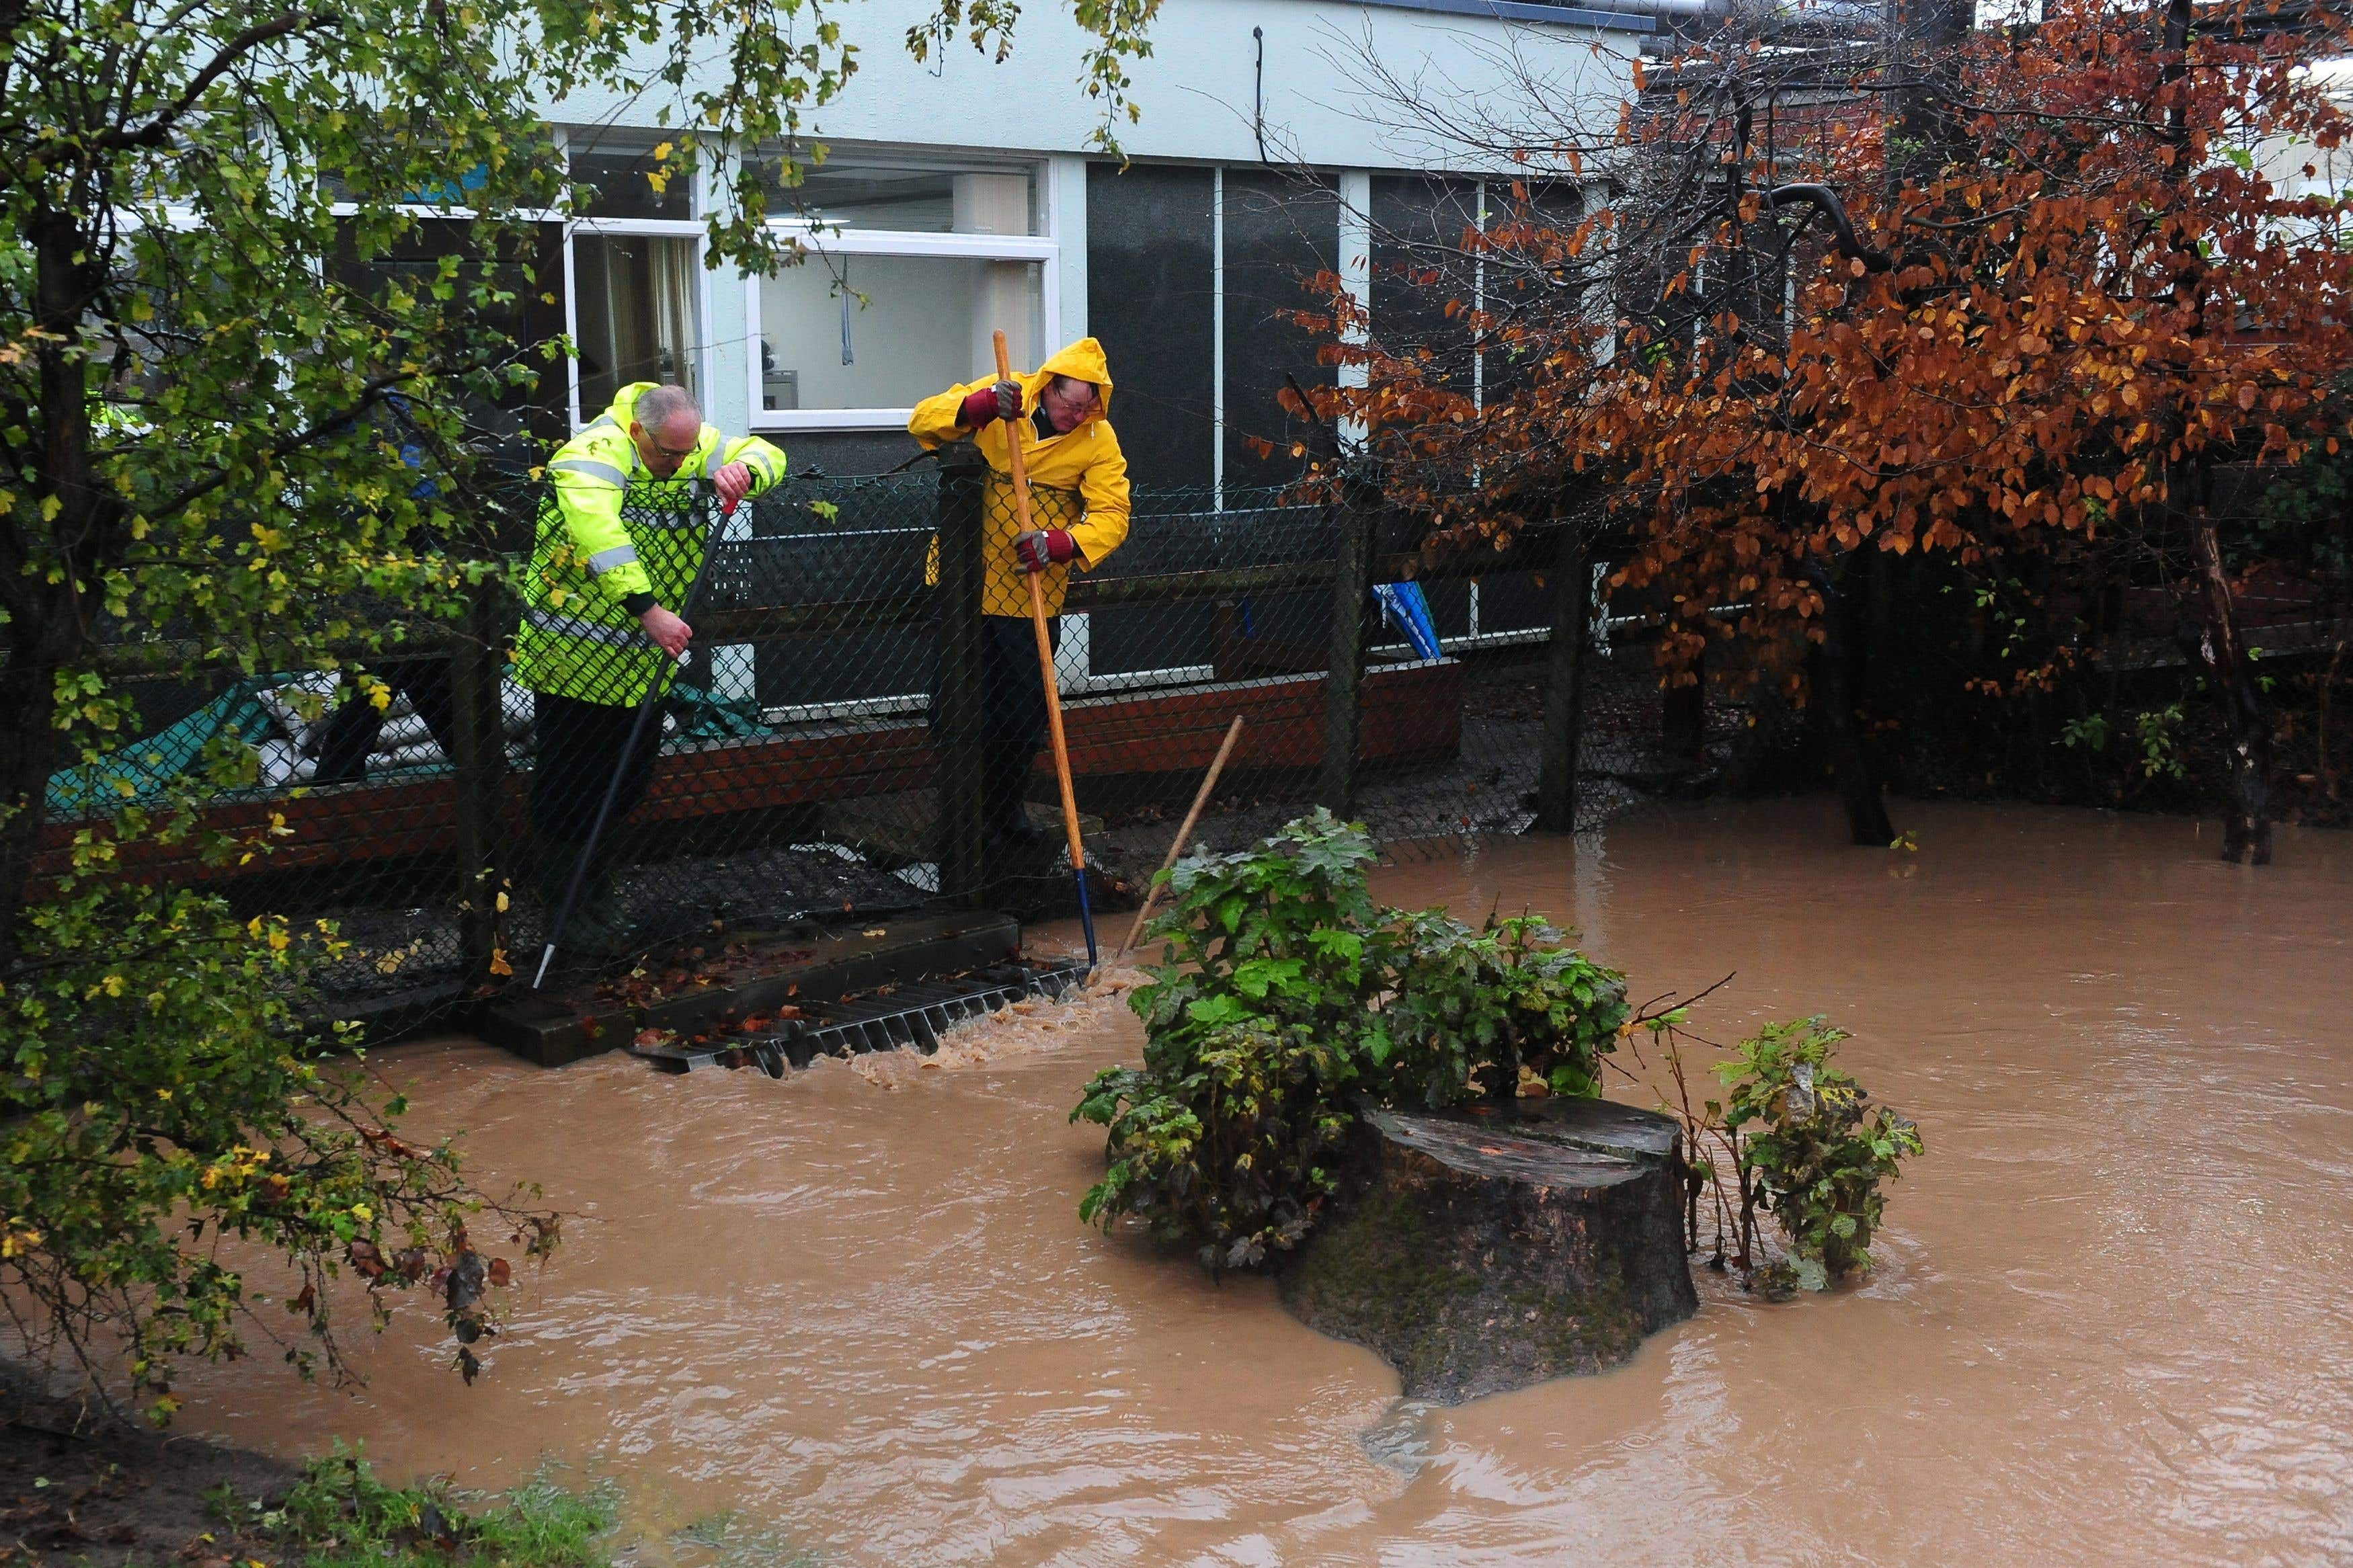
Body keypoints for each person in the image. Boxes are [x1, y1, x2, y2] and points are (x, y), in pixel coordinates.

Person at [514, 382, 787, 954]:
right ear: (639, 432)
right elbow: (598, 533)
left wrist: (746, 474)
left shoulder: (686, 443)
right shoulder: (591, 453)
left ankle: (600, 896)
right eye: (669, 455)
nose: (681, 464)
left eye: (689, 454)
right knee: (571, 788)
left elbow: (768, 452)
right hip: (574, 664)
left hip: (640, 670)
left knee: (627, 785)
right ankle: (566, 911)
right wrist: (649, 610)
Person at [911, 338, 1129, 850]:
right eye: (1066, 403)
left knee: (1022, 713)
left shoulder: (1099, 439)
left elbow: (1113, 514)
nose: (1074, 415)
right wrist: (979, 407)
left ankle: (1002, 809)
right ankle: (960, 813)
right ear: (1048, 385)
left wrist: (1064, 542)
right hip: (961, 587)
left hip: (1029, 595)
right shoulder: (1006, 398)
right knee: (956, 707)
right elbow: (923, 421)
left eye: (1085, 406)